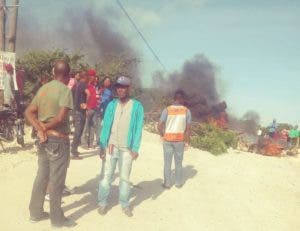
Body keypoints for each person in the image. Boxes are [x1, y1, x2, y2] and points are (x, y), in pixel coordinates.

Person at [25, 60, 76, 228]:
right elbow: (61, 118)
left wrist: (39, 128)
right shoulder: (65, 91)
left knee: (42, 176)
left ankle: (35, 213)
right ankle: (57, 219)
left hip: (43, 140)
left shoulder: (43, 88)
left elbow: (28, 112)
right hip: (57, 140)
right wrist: (44, 127)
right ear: (68, 75)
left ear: (54, 73)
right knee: (56, 180)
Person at [97, 76, 144, 217]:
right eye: (118, 87)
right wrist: (102, 144)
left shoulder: (137, 106)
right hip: (111, 146)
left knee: (124, 178)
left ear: (129, 88)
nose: (120, 89)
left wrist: (135, 148)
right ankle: (102, 203)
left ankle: (124, 204)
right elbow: (106, 126)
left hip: (127, 149)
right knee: (106, 177)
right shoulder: (112, 105)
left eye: (123, 87)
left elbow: (138, 129)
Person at [157, 90, 192, 189]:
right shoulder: (186, 111)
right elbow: (188, 129)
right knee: (178, 163)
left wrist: (162, 135)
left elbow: (159, 126)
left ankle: (167, 184)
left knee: (167, 163)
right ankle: (178, 183)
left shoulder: (167, 110)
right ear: (182, 99)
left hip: (167, 140)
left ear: (174, 98)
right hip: (180, 140)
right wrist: (187, 142)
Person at [71, 71, 88, 159]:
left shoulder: (76, 85)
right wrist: (87, 105)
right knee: (78, 132)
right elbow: (88, 93)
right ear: (84, 77)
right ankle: (73, 151)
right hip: (80, 111)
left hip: (76, 110)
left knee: (78, 131)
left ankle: (74, 149)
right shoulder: (83, 84)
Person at [81, 69, 98, 148]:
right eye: (91, 75)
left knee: (93, 127)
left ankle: (90, 143)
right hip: (88, 109)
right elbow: (83, 98)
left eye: (93, 76)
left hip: (94, 108)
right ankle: (84, 143)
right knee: (86, 126)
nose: (92, 77)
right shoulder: (85, 85)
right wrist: (86, 108)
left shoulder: (94, 86)